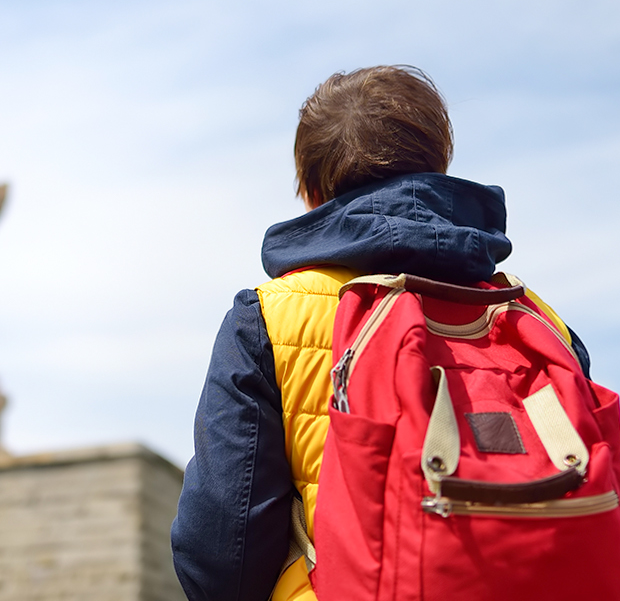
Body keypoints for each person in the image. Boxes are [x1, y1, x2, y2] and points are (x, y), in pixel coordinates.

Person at [170, 65, 591, 601]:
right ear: (438, 168)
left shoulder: (268, 319)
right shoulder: (536, 319)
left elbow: (220, 554)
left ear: (311, 190)